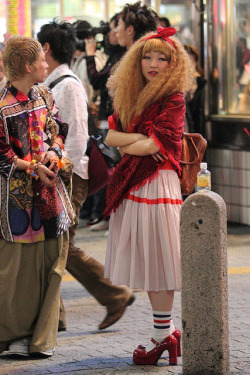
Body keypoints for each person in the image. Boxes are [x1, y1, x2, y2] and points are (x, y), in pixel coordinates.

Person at [103, 26, 196, 365]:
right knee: (150, 260)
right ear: (137, 60)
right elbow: (109, 136)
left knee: (159, 259)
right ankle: (166, 334)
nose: (153, 64)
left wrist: (131, 139)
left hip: (157, 185)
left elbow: (154, 145)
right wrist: (133, 140)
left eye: (162, 58)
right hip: (135, 184)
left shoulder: (174, 98)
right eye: (148, 57)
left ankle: (162, 337)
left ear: (175, 65)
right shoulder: (131, 93)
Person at [37, 20, 135, 332]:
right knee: (56, 245)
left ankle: (113, 294)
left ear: (48, 49)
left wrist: (58, 170)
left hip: (69, 178)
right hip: (60, 176)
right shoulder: (53, 83)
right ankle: (61, 315)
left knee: (60, 244)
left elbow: (77, 138)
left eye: (40, 48)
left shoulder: (67, 85)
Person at [0, 35, 74, 357]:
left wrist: (54, 155)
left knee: (52, 263)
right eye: (42, 60)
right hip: (14, 201)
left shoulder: (44, 94)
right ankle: (16, 335)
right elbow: (2, 156)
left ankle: (41, 338)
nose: (47, 63)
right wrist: (33, 167)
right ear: (29, 66)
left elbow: (57, 130)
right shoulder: (2, 106)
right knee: (14, 271)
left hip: (48, 193)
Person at [84, 13, 126, 232]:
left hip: (116, 120)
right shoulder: (115, 54)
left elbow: (97, 80)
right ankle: (107, 215)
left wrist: (90, 55)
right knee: (109, 167)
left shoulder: (123, 56)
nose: (112, 33)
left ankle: (110, 215)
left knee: (113, 168)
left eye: (114, 27)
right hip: (107, 118)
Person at [184, 44, 207, 136]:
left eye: (192, 61)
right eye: (186, 62)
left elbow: (199, 113)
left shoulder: (200, 82)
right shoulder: (174, 85)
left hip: (197, 133)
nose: (189, 66)